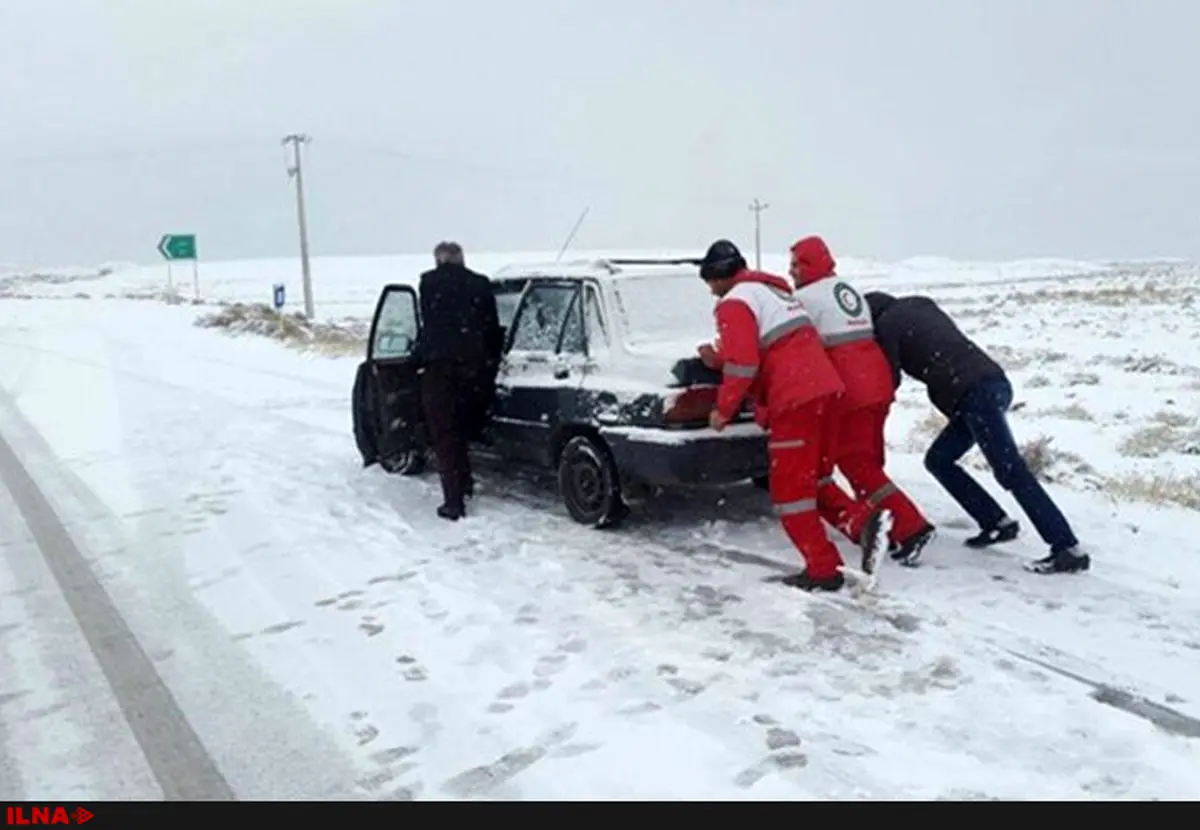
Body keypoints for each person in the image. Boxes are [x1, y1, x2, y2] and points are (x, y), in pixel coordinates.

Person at [697, 239, 891, 592]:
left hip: (794, 400)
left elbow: (743, 364)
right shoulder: (773, 293)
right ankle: (863, 525)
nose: (711, 292)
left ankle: (823, 570)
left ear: (719, 276)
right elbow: (767, 346)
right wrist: (719, 359)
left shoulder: (734, 302)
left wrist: (722, 411)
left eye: (709, 282)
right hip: (826, 392)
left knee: (790, 493)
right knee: (814, 481)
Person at [864, 291, 1091, 574]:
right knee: (939, 460)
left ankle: (1066, 547)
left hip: (973, 394)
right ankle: (995, 522)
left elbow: (890, 378)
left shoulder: (887, 324)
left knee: (1010, 470)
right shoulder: (920, 304)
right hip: (992, 383)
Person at [789, 235, 936, 565]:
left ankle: (911, 528)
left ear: (810, 264)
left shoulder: (805, 298)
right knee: (869, 461)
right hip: (877, 381)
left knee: (857, 465)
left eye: (797, 264)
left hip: (850, 388)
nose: (792, 272)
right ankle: (883, 526)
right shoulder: (847, 289)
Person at [416, 241, 504, 521]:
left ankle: (454, 500)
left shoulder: (429, 283)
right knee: (464, 427)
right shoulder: (480, 284)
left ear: (438, 260)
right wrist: (489, 361)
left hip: (439, 369)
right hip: (475, 369)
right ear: (462, 259)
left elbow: (428, 323)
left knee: (445, 434)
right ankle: (465, 483)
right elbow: (492, 326)